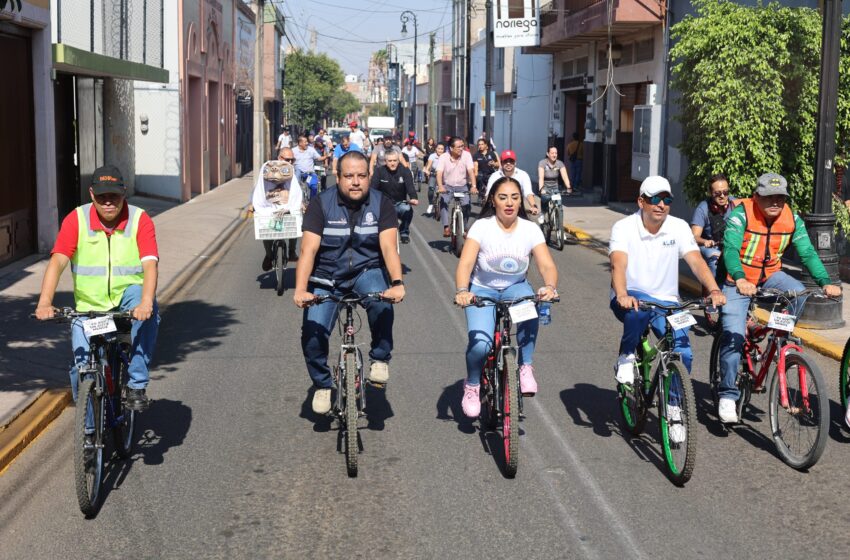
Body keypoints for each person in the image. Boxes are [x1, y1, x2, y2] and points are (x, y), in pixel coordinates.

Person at [716, 173, 841, 423]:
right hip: (737, 279)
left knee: (798, 291)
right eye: (769, 197)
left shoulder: (792, 219)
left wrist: (826, 282)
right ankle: (728, 395)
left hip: (771, 276)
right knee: (733, 336)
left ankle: (777, 333)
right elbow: (730, 250)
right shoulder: (741, 214)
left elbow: (807, 253)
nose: (775, 202)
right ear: (757, 196)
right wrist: (740, 278)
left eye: (780, 197)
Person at [34, 165, 160, 412]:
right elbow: (57, 261)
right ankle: (89, 437)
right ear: (92, 194)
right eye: (102, 197)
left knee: (148, 306)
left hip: (128, 300)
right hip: (89, 308)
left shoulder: (139, 219)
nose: (109, 202)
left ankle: (136, 383)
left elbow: (150, 265)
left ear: (124, 193)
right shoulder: (77, 219)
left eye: (114, 195)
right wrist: (44, 302)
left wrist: (146, 303)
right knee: (81, 369)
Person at [293, 151, 406, 415]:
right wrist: (300, 289)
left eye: (361, 176)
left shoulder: (382, 204)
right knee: (312, 332)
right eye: (349, 176)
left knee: (383, 304)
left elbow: (389, 248)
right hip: (326, 276)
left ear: (369, 176)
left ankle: (379, 357)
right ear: (338, 177)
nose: (355, 182)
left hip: (366, 271)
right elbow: (308, 251)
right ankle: (322, 384)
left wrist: (397, 282)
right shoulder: (320, 204)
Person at [609, 176, 725, 398]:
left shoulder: (679, 227)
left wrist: (714, 290)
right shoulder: (623, 227)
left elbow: (696, 262)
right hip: (633, 295)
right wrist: (622, 294)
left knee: (683, 353)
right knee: (638, 312)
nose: (661, 205)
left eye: (667, 199)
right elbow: (618, 264)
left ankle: (675, 408)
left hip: (668, 301)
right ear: (641, 202)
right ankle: (625, 357)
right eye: (655, 199)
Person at [454, 176, 558, 417]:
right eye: (503, 197)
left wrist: (550, 286)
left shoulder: (530, 229)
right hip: (482, 289)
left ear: (521, 201)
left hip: (515, 287)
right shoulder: (482, 227)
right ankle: (472, 385)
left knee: (531, 305)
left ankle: (525, 367)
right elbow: (466, 263)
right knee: (480, 345)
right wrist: (462, 290)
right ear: (493, 200)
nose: (509, 203)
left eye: (514, 197)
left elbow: (546, 265)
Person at [252, 148, 304, 265]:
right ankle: (268, 255)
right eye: (287, 159)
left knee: (294, 221)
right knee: (266, 226)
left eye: (292, 160)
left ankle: (291, 251)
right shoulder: (268, 167)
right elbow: (260, 187)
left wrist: (298, 203)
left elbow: (295, 190)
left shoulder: (291, 171)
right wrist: (257, 205)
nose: (290, 162)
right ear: (280, 158)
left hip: (286, 207)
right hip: (270, 206)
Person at [690, 173, 737, 279]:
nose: (722, 196)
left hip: (731, 245)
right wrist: (705, 241)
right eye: (717, 193)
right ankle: (714, 291)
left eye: (725, 193)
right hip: (712, 246)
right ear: (710, 193)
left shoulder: (736, 204)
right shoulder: (703, 209)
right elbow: (694, 237)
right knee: (715, 258)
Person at [371, 151, 419, 244]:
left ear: (398, 161)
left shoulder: (405, 171)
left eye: (394, 160)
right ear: (385, 161)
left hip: (400, 202)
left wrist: (413, 197)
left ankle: (404, 232)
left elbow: (410, 187)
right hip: (384, 204)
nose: (392, 163)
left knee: (407, 209)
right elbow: (373, 189)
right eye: (390, 161)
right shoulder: (379, 171)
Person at [436, 137, 477, 237]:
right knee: (444, 202)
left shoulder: (467, 155)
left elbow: (471, 171)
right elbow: (439, 173)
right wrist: (441, 186)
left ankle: (465, 228)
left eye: (462, 146)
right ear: (451, 148)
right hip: (448, 186)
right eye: (458, 147)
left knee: (467, 205)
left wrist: (473, 186)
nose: (461, 149)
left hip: (462, 186)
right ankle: (446, 226)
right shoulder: (443, 157)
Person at [485, 150, 538, 215]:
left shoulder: (523, 175)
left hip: (517, 210)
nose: (508, 163)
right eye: (505, 161)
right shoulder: (494, 176)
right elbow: (488, 194)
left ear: (515, 163)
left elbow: (528, 192)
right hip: (498, 210)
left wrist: (533, 206)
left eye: (511, 161)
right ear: (501, 163)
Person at [537, 146, 572, 222]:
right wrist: (541, 189)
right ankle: (542, 213)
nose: (554, 155)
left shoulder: (560, 163)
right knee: (545, 198)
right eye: (552, 153)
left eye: (556, 153)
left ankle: (559, 225)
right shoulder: (542, 163)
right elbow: (541, 177)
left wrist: (568, 187)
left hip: (555, 188)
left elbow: (565, 177)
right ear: (548, 154)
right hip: (545, 187)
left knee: (559, 204)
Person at [293, 134, 326, 199]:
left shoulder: (311, 149)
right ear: (300, 143)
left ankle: (312, 202)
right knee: (297, 175)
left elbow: (319, 158)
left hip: (309, 173)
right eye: (305, 142)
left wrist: (326, 156)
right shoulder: (293, 150)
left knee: (314, 187)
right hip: (299, 173)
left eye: (307, 141)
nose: (307, 143)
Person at [473, 138, 500, 204]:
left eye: (482, 144)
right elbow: (475, 167)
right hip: (481, 173)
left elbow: (498, 165)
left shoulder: (492, 154)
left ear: (486, 145)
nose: (480, 146)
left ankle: (493, 196)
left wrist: (493, 164)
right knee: (480, 178)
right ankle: (480, 195)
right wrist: (475, 176)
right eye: (479, 144)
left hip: (490, 173)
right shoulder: (476, 155)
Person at [424, 142, 445, 213]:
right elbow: (429, 165)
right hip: (434, 174)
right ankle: (430, 204)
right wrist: (427, 170)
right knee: (431, 189)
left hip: (443, 175)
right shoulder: (432, 156)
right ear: (436, 149)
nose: (440, 150)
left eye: (442, 149)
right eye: (439, 148)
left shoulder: (446, 156)